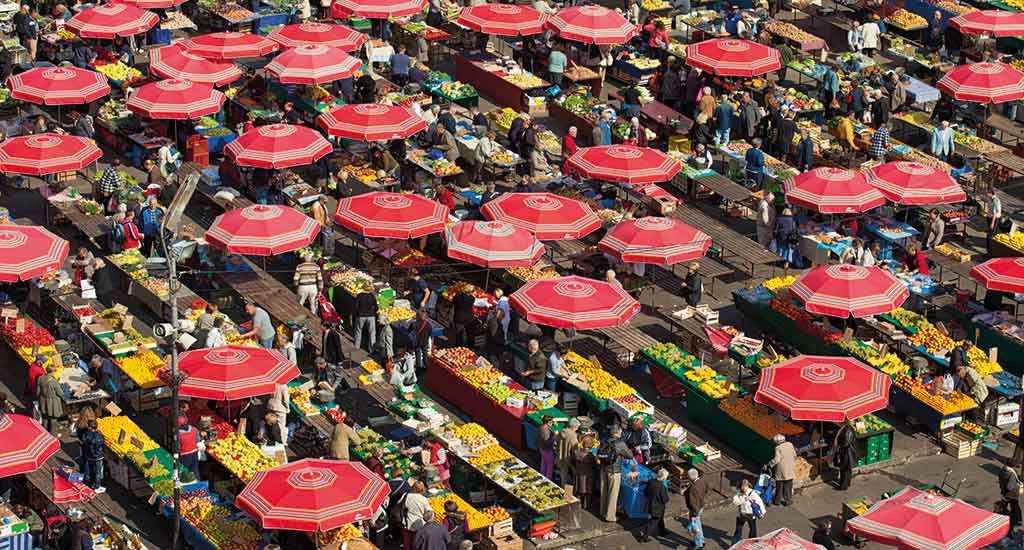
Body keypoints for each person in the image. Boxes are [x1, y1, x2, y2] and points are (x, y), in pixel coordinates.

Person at [597, 425, 632, 522]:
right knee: (613, 494)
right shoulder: (620, 443)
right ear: (617, 433)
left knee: (603, 491)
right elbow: (630, 456)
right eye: (620, 432)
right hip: (614, 471)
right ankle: (610, 516)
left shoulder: (604, 440)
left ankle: (602, 511)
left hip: (603, 468)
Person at [640, 469, 670, 542]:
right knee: (653, 522)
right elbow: (665, 499)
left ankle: (662, 531)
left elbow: (646, 492)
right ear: (664, 477)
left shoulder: (651, 482)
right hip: (657, 508)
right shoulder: (662, 487)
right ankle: (644, 537)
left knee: (660, 519)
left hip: (650, 505)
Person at [731, 478, 764, 544]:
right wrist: (744, 499)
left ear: (747, 486)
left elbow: (760, 503)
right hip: (742, 514)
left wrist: (762, 512)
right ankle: (735, 544)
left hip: (750, 514)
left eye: (744, 486)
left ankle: (751, 543)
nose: (743, 488)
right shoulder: (739, 493)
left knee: (752, 529)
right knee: (739, 530)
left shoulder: (753, 493)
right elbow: (735, 502)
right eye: (742, 486)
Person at [767, 434, 796, 505]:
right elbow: (794, 454)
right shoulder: (790, 444)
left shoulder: (778, 448)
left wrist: (769, 464)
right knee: (788, 485)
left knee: (779, 485)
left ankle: (777, 501)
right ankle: (788, 500)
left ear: (778, 442)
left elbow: (777, 459)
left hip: (781, 469)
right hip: (790, 467)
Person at [402, 481, 432, 550]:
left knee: (406, 544)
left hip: (407, 523)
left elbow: (400, 505)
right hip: (419, 525)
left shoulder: (406, 496)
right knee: (416, 545)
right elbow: (429, 512)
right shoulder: (423, 499)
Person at [79, 420, 106, 492]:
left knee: (90, 470)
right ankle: (97, 486)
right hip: (98, 457)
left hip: (89, 456)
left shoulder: (86, 435)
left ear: (90, 427)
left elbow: (83, 441)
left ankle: (90, 483)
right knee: (98, 472)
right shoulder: (99, 436)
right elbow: (103, 444)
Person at [685, 468, 707, 549]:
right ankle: (701, 540)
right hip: (701, 506)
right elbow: (706, 489)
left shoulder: (692, 488)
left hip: (695, 510)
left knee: (695, 528)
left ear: (690, 477)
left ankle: (698, 544)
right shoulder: (702, 481)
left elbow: (692, 503)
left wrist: (694, 514)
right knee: (698, 524)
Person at [37, 365, 63, 435]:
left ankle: (44, 433)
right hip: (53, 403)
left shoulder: (40, 378)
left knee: (45, 419)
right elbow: (60, 393)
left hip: (43, 401)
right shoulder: (54, 382)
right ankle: (52, 435)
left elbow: (38, 392)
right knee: (53, 421)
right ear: (53, 372)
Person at [354, 282, 378, 352]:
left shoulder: (359, 295)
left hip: (361, 315)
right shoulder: (372, 296)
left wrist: (356, 314)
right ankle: (371, 349)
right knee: (372, 332)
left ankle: (357, 346)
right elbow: (376, 307)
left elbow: (356, 306)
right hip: (371, 316)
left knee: (358, 331)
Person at [833, 422, 858, 490]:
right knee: (847, 469)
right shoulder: (845, 428)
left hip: (847, 453)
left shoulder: (847, 430)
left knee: (844, 470)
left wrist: (839, 447)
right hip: (847, 452)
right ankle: (847, 483)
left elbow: (846, 443)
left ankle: (843, 486)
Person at [556, 418, 580, 488]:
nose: (577, 429)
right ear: (573, 427)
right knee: (567, 480)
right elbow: (575, 450)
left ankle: (563, 489)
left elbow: (556, 440)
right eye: (576, 428)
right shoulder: (572, 436)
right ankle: (565, 495)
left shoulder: (562, 431)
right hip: (568, 460)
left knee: (562, 476)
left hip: (560, 457)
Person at [177, 416, 202, 481]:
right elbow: (198, 440)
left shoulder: (178, 433)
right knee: (195, 470)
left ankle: (187, 486)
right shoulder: (194, 429)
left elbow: (178, 446)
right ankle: (199, 485)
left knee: (185, 472)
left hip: (185, 455)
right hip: (194, 453)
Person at [1002, 460, 1023, 532]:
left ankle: (1000, 518)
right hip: (1012, 494)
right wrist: (1017, 485)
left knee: (1003, 505)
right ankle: (1017, 521)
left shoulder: (1003, 470)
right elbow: (1010, 486)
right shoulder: (1011, 473)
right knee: (1015, 507)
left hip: (1004, 493)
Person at [538, 415, 556, 481]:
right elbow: (547, 442)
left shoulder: (541, 427)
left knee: (544, 463)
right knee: (550, 466)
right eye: (551, 422)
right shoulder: (545, 430)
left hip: (542, 448)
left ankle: (542, 477)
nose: (552, 423)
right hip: (547, 450)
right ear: (547, 422)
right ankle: (548, 480)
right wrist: (554, 436)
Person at [988, 189, 1003, 254]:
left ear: (991, 193)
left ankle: (990, 250)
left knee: (991, 235)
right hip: (991, 218)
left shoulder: (995, 200)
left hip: (995, 219)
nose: (987, 194)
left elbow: (995, 213)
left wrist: (992, 223)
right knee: (992, 233)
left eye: (987, 193)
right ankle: (991, 249)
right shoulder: (992, 199)